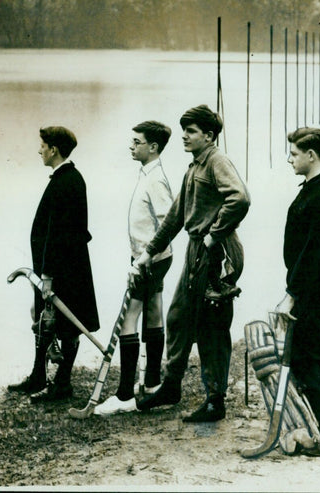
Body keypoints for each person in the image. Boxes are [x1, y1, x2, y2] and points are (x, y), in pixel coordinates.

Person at [133, 105, 250, 423]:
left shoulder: (216, 161)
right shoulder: (194, 166)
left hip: (217, 251)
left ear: (209, 136)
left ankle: (215, 401)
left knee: (212, 325)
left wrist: (215, 234)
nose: (184, 135)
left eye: (192, 131)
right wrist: (148, 253)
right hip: (195, 251)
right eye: (183, 129)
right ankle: (171, 386)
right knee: (179, 316)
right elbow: (174, 216)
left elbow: (239, 198)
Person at [7, 126, 100, 402]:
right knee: (44, 321)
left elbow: (61, 234)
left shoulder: (68, 181)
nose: (39, 150)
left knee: (66, 326)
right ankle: (38, 376)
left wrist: (48, 275)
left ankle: (62, 383)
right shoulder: (65, 179)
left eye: (42, 145)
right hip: (56, 268)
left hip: (64, 270)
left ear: (54, 150)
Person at [275, 127, 320, 456]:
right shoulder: (314, 191)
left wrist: (293, 293)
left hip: (314, 295)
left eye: (294, 153)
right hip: (309, 291)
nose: (290, 158)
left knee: (308, 360)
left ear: (311, 156)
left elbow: (315, 256)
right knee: (308, 359)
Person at [94, 121, 174, 416]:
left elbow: (167, 222)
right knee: (153, 310)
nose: (132, 145)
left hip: (150, 259)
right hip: (151, 257)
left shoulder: (155, 179)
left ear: (152, 147)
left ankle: (125, 394)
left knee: (130, 317)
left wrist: (145, 258)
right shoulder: (147, 173)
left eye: (137, 141)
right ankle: (152, 383)